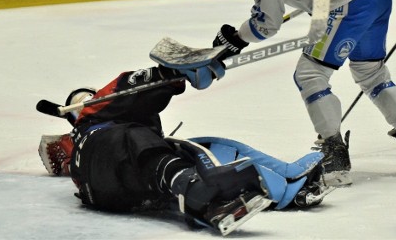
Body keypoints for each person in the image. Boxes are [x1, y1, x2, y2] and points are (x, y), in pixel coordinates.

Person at [213, 0, 396, 186]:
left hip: (348, 5)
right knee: (370, 72)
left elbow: (267, 23)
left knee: (309, 74)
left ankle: (335, 155)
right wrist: (321, 2)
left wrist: (237, 38)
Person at [38, 61, 332, 236]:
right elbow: (136, 85)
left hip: (107, 193)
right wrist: (173, 74)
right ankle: (205, 196)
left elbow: (52, 152)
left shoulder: (74, 143)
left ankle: (285, 185)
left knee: (201, 150)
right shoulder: (96, 114)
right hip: (116, 152)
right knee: (151, 150)